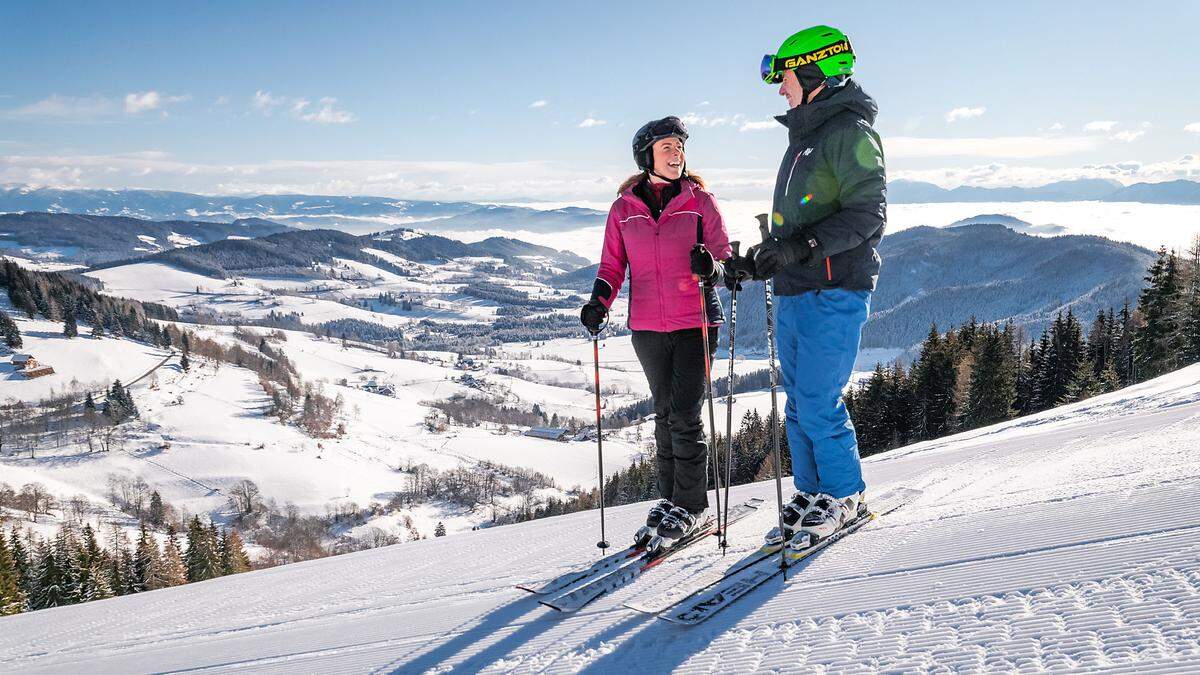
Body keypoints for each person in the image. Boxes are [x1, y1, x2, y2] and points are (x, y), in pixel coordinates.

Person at [735, 25, 886, 540]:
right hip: (798, 288)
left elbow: (868, 215)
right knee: (798, 403)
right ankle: (813, 493)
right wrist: (766, 258)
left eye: (788, 77)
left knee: (820, 401)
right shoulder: (805, 138)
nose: (782, 88)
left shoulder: (849, 133)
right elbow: (798, 225)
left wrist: (801, 248)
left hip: (835, 287)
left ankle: (846, 496)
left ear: (816, 73)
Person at [580, 116, 732, 543]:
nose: (676, 153)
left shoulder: (701, 202)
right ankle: (670, 499)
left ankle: (692, 505)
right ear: (646, 155)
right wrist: (598, 302)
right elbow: (613, 265)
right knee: (664, 415)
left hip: (696, 322)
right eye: (667, 146)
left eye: (680, 146)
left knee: (685, 415)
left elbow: (723, 255)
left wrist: (712, 267)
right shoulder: (624, 210)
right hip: (647, 327)